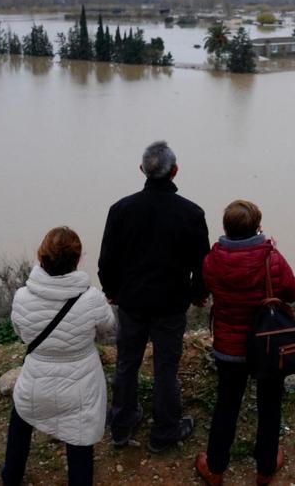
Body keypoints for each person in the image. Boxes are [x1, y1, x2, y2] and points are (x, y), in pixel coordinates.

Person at [98, 140, 210, 452]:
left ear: (142, 170)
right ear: (175, 171)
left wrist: (112, 291)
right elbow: (202, 263)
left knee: (126, 363)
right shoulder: (191, 213)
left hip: (131, 302)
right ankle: (164, 434)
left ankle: (121, 426)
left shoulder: (120, 210)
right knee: (165, 368)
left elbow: (107, 261)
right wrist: (197, 294)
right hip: (171, 304)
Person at [195, 200, 295, 486]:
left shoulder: (212, 260)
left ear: (226, 228)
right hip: (267, 347)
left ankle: (215, 469)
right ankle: (265, 469)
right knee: (269, 406)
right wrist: (271, 252)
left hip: (229, 348)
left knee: (226, 405)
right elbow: (294, 292)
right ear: (257, 227)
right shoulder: (271, 258)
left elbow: (208, 287)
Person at [2, 226, 116, 486]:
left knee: (21, 415)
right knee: (80, 437)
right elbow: (107, 326)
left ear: (41, 257)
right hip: (81, 385)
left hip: (35, 380)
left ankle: (11, 475)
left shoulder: (21, 297)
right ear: (77, 259)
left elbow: (21, 333)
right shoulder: (92, 298)